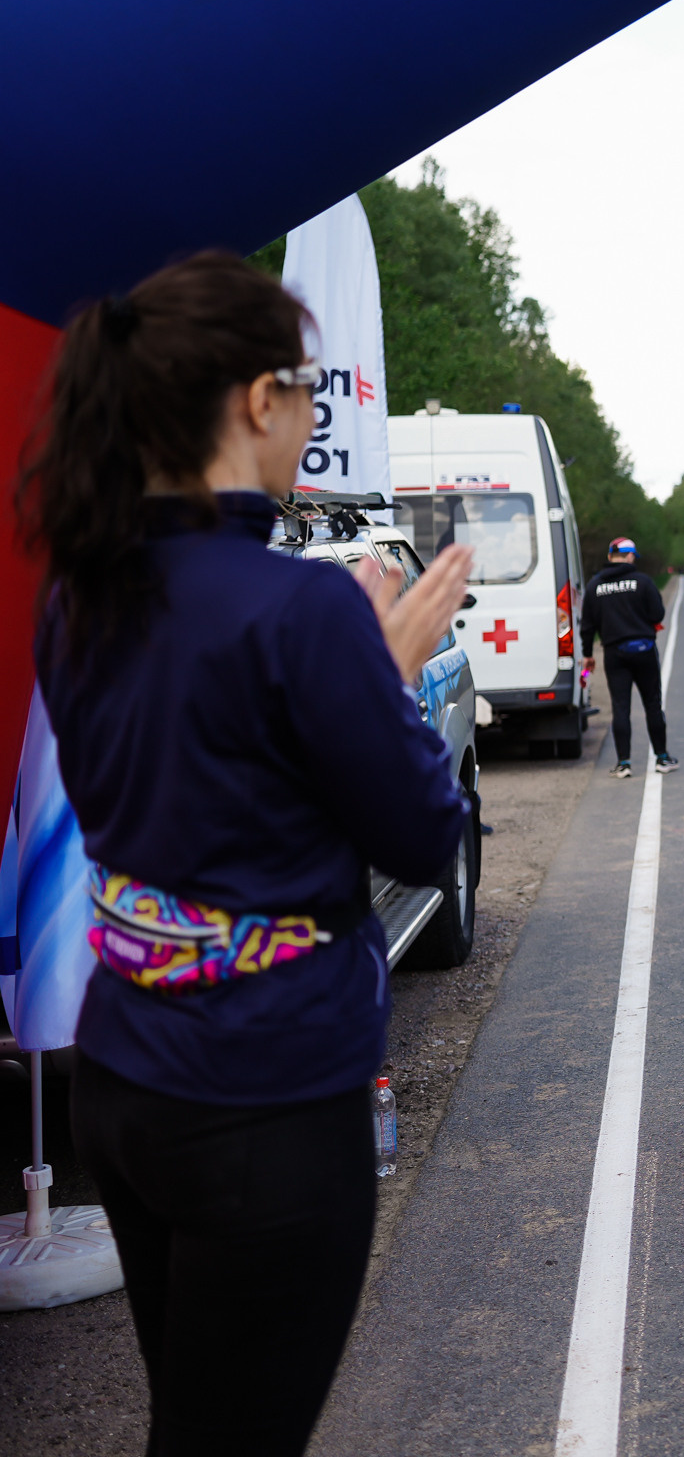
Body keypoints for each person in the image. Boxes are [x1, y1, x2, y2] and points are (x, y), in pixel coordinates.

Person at [20, 253, 474, 1456]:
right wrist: (386, 679)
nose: (314, 414)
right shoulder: (299, 608)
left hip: (124, 1078)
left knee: (196, 1419)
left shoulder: (79, 594)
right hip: (265, 1098)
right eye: (308, 388)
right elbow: (423, 833)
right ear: (257, 399)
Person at [583, 537, 677, 777]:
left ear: (609, 556)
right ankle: (662, 758)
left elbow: (588, 626)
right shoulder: (643, 582)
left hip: (615, 654)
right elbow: (657, 614)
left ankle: (623, 763)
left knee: (620, 707)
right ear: (630, 556)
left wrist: (588, 655)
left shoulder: (595, 586)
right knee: (652, 705)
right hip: (644, 650)